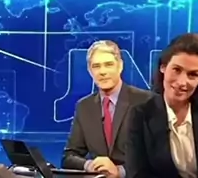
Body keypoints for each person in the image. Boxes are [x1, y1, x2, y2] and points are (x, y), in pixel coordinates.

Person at [125, 33, 198, 178]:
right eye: (176, 70)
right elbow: (137, 174)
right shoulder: (140, 115)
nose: (182, 82)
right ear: (163, 67)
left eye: (193, 74)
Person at [62, 40, 152, 176]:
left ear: (120, 66)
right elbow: (69, 157)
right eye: (96, 66)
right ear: (90, 71)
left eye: (108, 65)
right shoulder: (84, 107)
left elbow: (157, 158)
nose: (102, 72)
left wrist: (120, 172)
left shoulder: (146, 101)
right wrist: (89, 165)